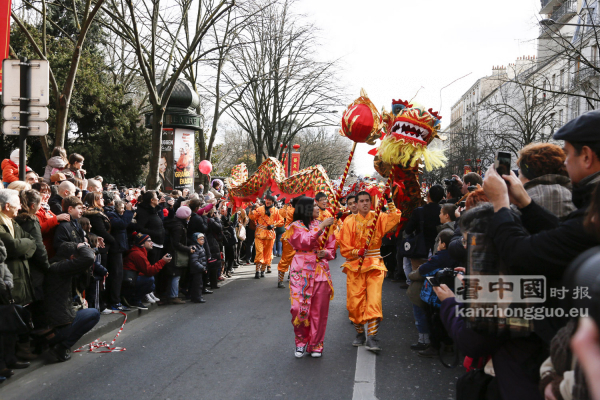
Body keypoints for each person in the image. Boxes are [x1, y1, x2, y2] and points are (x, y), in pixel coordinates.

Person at [483, 109, 600, 343]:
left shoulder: (595, 214)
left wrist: (500, 203)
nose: (565, 162)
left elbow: (521, 254)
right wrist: (526, 204)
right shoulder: (590, 208)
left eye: (568, 154)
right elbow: (564, 235)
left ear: (586, 156)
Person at [338, 191, 401, 352]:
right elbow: (344, 248)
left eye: (367, 201)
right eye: (361, 201)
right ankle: (360, 333)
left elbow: (395, 218)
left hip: (374, 265)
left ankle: (372, 337)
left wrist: (389, 200)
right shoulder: (349, 221)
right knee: (354, 304)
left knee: (374, 300)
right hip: (355, 266)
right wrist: (355, 252)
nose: (365, 203)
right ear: (356, 204)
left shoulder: (378, 217)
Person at [286, 197, 336, 358]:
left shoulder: (323, 225)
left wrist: (326, 253)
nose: (317, 208)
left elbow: (332, 247)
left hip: (320, 270)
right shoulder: (294, 227)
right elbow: (305, 242)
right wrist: (321, 226)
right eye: (314, 206)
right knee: (297, 308)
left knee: (318, 311)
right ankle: (300, 341)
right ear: (305, 208)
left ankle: (316, 344)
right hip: (301, 270)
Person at [43, 242, 99, 362]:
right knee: (93, 314)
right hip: (55, 327)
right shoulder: (59, 268)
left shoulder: (55, 266)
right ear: (72, 258)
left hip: (55, 321)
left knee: (85, 310)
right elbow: (88, 258)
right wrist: (82, 246)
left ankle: (58, 344)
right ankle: (60, 348)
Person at [0, 190, 36, 371]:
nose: (21, 207)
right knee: (5, 323)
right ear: (7, 206)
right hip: (6, 281)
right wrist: (21, 250)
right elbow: (13, 247)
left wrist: (22, 250)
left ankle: (11, 358)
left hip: (17, 278)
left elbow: (32, 242)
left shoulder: (12, 221)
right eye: (17, 204)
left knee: (13, 321)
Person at [516, 142, 576, 219]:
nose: (517, 178)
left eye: (519, 174)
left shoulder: (520, 204)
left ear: (528, 177)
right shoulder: (576, 198)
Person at [122, 233, 171, 309]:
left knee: (151, 285)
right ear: (142, 243)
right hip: (128, 281)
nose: (152, 243)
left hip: (131, 279)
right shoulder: (138, 254)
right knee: (149, 280)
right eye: (149, 241)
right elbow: (149, 271)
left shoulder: (141, 251)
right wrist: (163, 261)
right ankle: (134, 300)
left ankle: (133, 297)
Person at [162, 206, 194, 305]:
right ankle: (173, 296)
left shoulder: (175, 223)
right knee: (176, 274)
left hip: (172, 251)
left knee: (174, 274)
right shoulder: (178, 227)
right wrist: (188, 249)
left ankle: (172, 294)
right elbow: (176, 243)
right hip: (175, 253)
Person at [250, 194, 283, 278]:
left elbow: (281, 221)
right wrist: (251, 210)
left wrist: (273, 225)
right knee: (259, 252)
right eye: (266, 200)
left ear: (273, 201)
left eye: (269, 200)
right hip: (259, 234)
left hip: (270, 235)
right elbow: (253, 217)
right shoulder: (259, 209)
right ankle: (257, 271)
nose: (267, 201)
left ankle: (263, 270)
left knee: (267, 253)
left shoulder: (276, 210)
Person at [135, 191, 166, 264]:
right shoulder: (144, 212)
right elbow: (140, 228)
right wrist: (155, 233)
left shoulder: (154, 210)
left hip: (158, 243)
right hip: (151, 246)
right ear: (152, 200)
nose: (158, 199)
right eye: (156, 197)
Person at [277, 197, 299, 288]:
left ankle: (292, 276)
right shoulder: (291, 210)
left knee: (296, 258)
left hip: (299, 237)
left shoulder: (293, 209)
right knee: (286, 258)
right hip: (290, 237)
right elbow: (281, 214)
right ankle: (280, 280)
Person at [188, 233, 207, 304]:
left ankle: (195, 297)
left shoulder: (200, 247)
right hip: (196, 269)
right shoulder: (195, 248)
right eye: (200, 239)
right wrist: (202, 267)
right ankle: (197, 297)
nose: (203, 240)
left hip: (199, 268)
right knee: (198, 284)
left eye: (203, 239)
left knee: (198, 283)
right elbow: (194, 261)